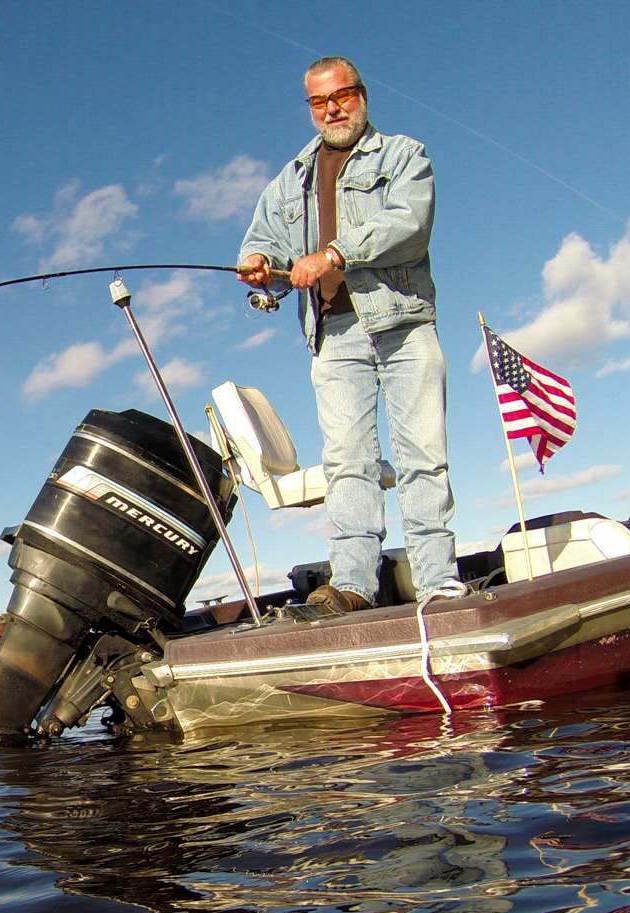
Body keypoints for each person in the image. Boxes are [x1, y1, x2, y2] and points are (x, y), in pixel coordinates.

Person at [237, 55, 458, 614]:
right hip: (333, 336)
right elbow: (262, 238)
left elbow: (409, 224)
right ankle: (354, 587)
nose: (333, 109)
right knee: (347, 462)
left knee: (422, 457)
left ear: (362, 95)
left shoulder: (406, 155)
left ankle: (439, 582)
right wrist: (258, 260)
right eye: (319, 101)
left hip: (402, 325)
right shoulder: (291, 178)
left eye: (343, 96)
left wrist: (333, 254)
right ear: (309, 107)